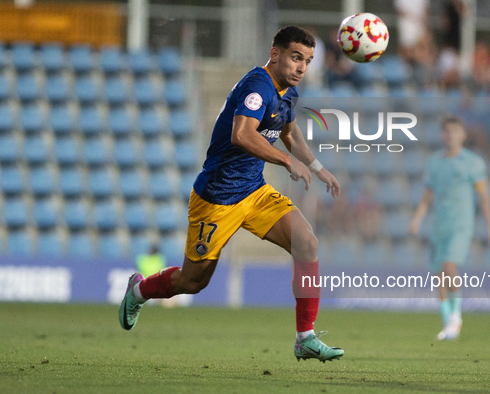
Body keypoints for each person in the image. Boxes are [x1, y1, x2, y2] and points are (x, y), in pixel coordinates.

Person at [118, 26, 344, 363]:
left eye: (308, 61)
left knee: (307, 243)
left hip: (254, 192)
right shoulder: (258, 86)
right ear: (276, 53)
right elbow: (241, 135)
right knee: (192, 282)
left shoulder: (288, 92)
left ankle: (305, 337)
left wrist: (316, 167)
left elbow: (288, 129)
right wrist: (285, 161)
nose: (301, 67)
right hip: (218, 197)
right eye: (296, 57)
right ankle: (139, 291)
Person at [408, 116, 490, 340]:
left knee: (449, 265)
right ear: (442, 135)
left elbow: (484, 197)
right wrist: (418, 219)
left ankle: (456, 318)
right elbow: (427, 193)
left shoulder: (473, 162)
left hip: (461, 225)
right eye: (446, 131)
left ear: (463, 135)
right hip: (440, 224)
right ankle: (447, 322)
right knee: (439, 275)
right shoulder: (434, 162)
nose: (450, 135)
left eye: (454, 131)